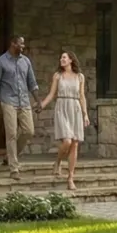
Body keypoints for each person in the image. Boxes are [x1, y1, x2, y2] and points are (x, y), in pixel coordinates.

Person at [39, 51, 92, 191]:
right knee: (67, 141)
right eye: (61, 57)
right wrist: (42, 105)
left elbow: (82, 96)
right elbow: (52, 94)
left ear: (71, 60)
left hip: (75, 108)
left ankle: (70, 178)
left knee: (74, 144)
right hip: (62, 107)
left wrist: (85, 114)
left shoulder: (80, 77)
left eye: (64, 57)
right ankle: (57, 161)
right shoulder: (57, 76)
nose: (61, 59)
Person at [0, 35, 37, 174]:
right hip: (8, 101)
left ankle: (8, 156)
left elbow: (32, 83)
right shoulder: (0, 62)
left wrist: (38, 100)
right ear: (13, 43)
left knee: (29, 131)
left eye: (23, 44)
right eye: (21, 44)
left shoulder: (26, 62)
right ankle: (14, 167)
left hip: (24, 101)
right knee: (11, 133)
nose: (23, 47)